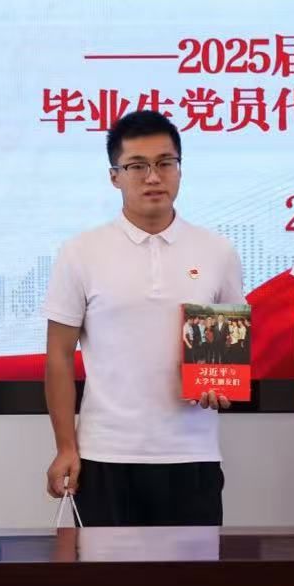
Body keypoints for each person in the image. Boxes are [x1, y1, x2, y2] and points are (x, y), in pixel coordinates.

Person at [43, 110, 244, 526]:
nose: (153, 177)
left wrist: (221, 386)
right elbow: (58, 357)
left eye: (165, 163)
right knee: (105, 570)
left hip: (192, 454)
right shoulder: (81, 252)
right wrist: (66, 447)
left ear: (180, 169)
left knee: (193, 570)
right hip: (106, 454)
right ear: (114, 176)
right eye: (137, 166)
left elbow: (229, 347)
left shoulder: (217, 252)